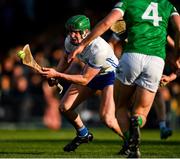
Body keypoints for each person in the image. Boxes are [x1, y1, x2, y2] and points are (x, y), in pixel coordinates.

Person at [67, 1, 180, 157]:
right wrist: (176, 56)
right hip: (156, 60)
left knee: (120, 107)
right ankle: (139, 122)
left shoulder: (129, 2)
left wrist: (83, 44)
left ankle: (132, 142)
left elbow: (107, 23)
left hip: (132, 56)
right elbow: (177, 31)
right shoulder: (167, 5)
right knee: (140, 113)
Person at [40, 15, 123, 152]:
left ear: (85, 31)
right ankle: (83, 134)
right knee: (64, 108)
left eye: (76, 31)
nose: (72, 35)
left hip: (110, 76)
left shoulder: (99, 49)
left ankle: (130, 142)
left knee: (108, 119)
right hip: (91, 73)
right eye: (70, 31)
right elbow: (66, 61)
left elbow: (85, 79)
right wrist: (54, 74)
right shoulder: (70, 41)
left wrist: (58, 75)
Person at [108, 25, 173, 140]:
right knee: (141, 109)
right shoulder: (157, 23)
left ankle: (130, 140)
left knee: (122, 106)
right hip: (152, 64)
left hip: (130, 65)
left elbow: (110, 42)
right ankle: (158, 125)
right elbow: (174, 44)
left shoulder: (127, 21)